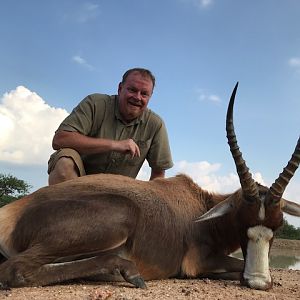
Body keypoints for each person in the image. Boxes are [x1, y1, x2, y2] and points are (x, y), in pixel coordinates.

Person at [48, 68, 173, 185]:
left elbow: (158, 173)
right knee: (65, 163)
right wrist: (114, 145)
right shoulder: (95, 104)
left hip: (118, 193)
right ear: (120, 88)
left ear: (150, 96)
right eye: (132, 90)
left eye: (144, 94)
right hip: (78, 181)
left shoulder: (156, 124)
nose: (137, 97)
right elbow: (60, 139)